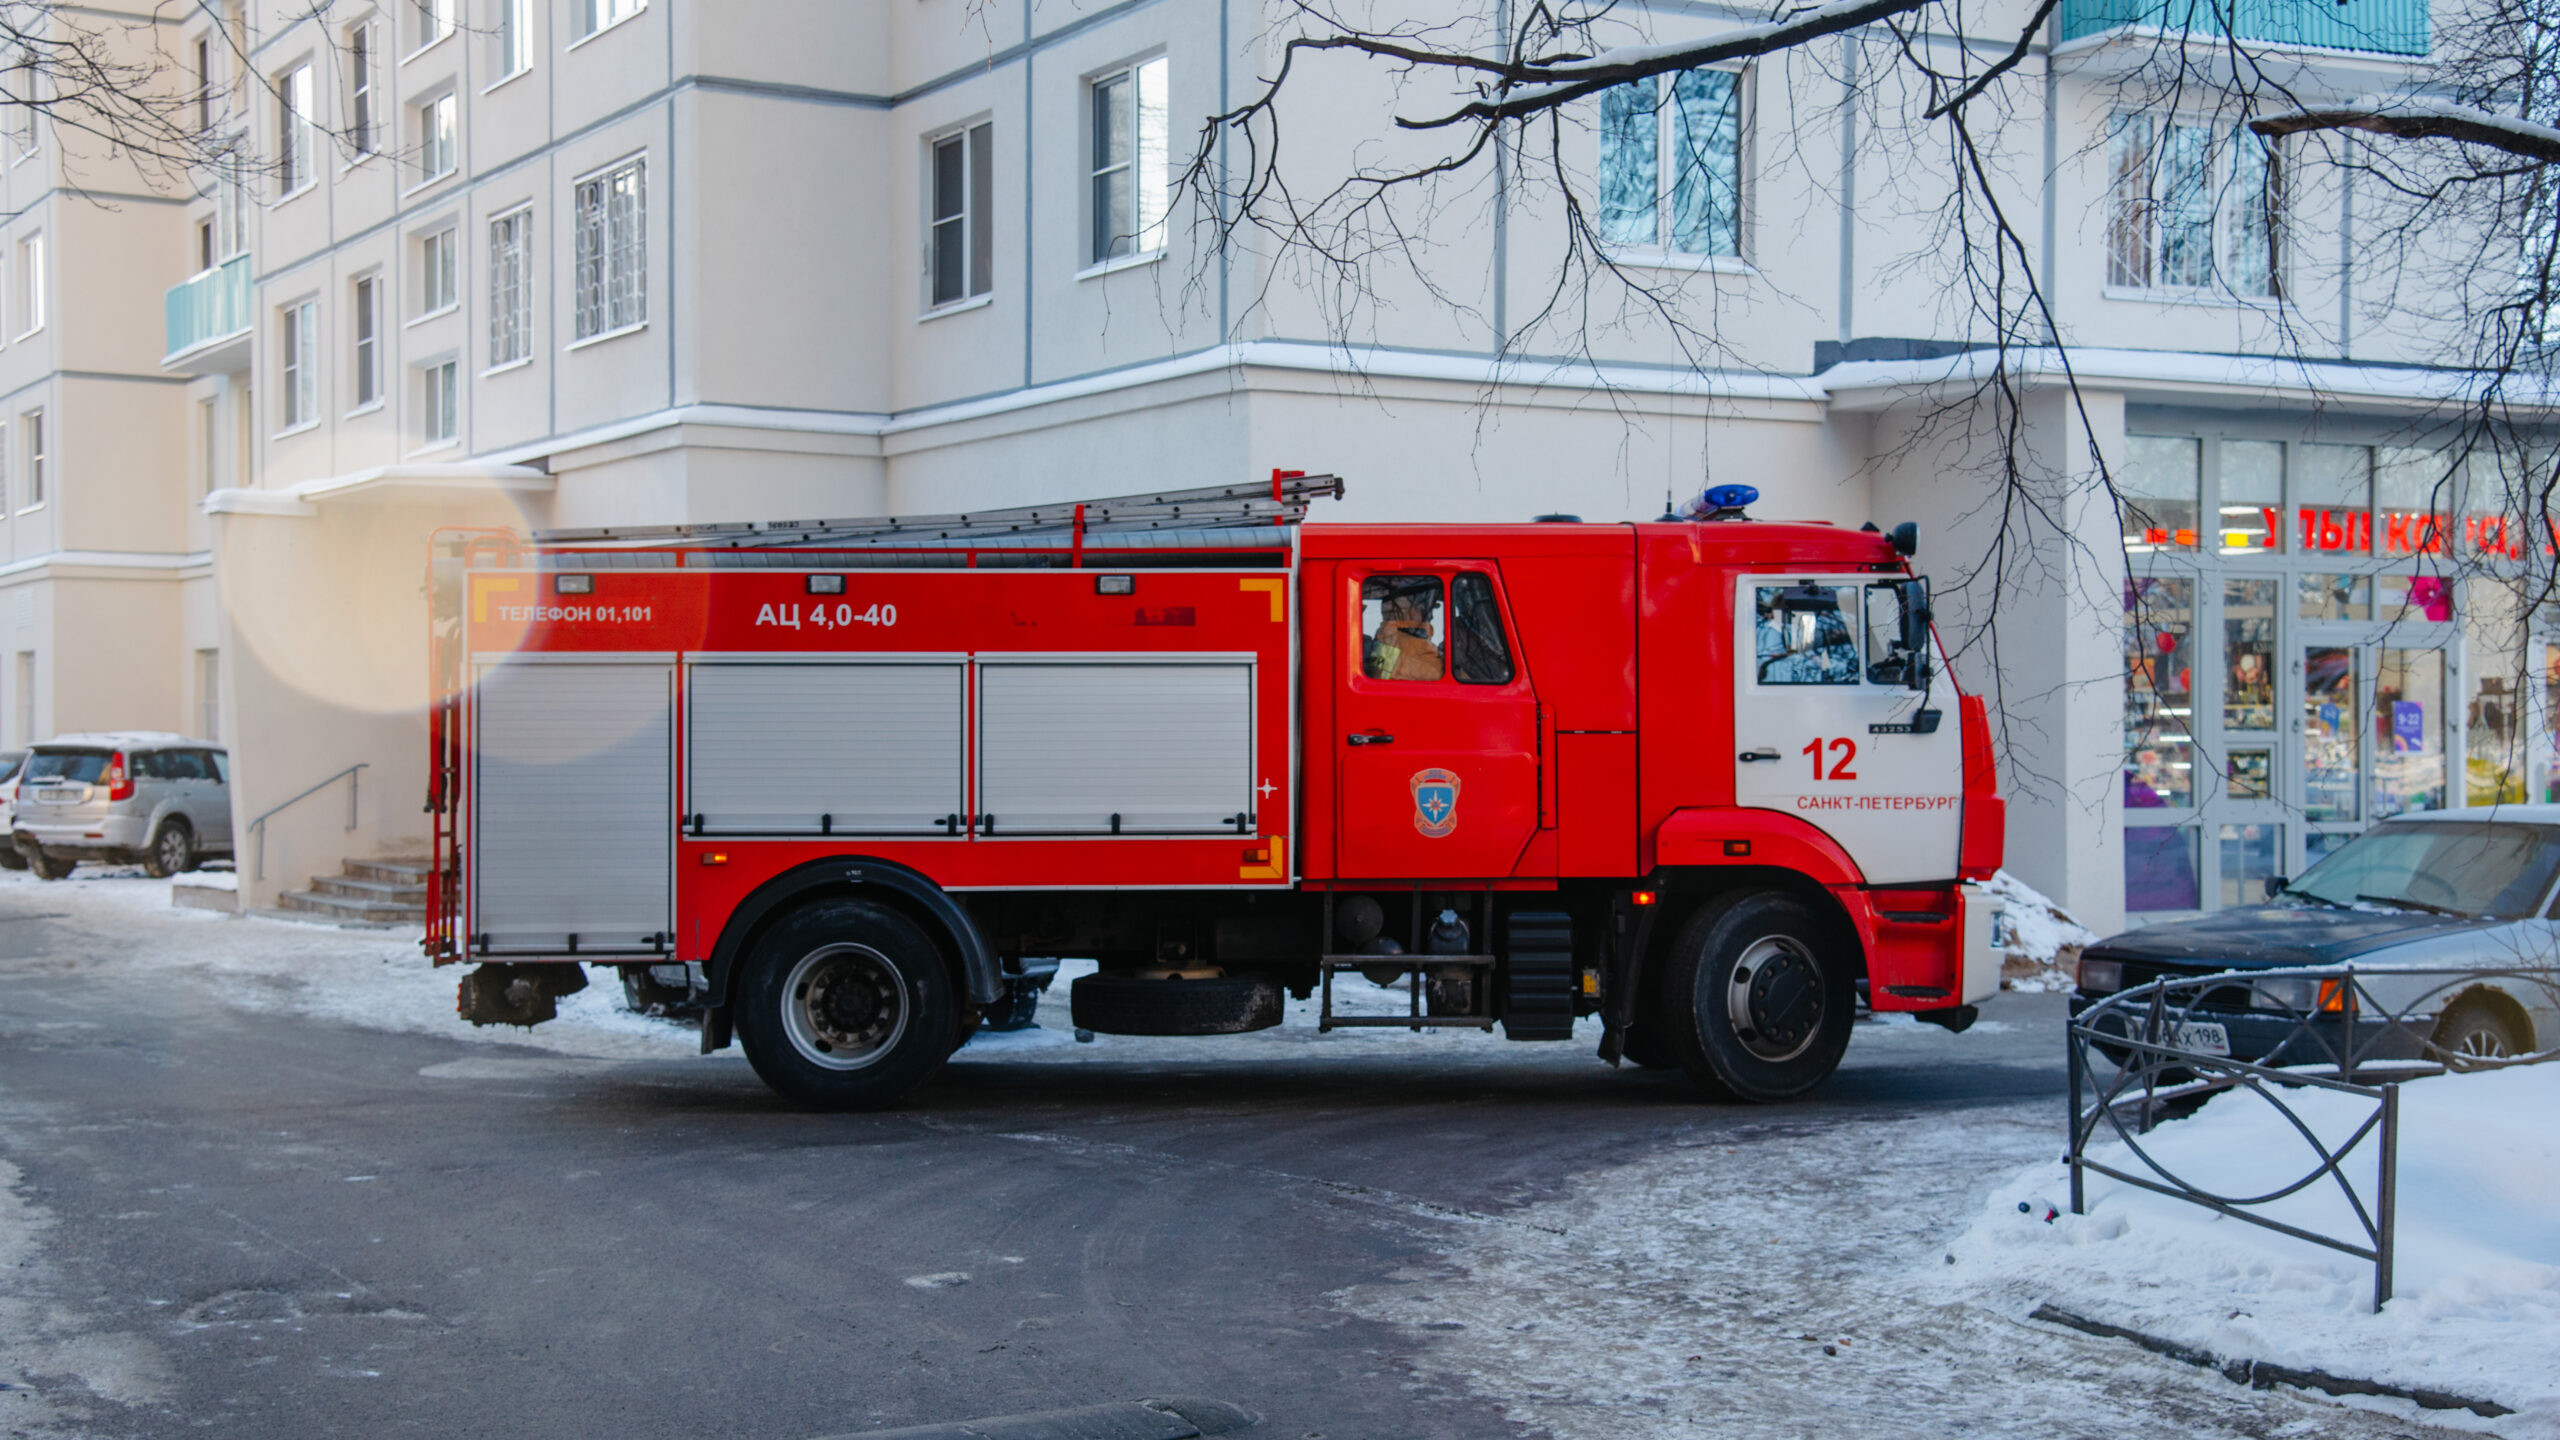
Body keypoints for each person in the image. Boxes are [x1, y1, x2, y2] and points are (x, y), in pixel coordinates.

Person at [1368, 587, 1444, 681]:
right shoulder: (1411, 641)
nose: (1430, 615)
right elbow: (1437, 673)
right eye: (1421, 609)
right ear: (1413, 613)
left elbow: (1379, 675)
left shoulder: (1384, 640)